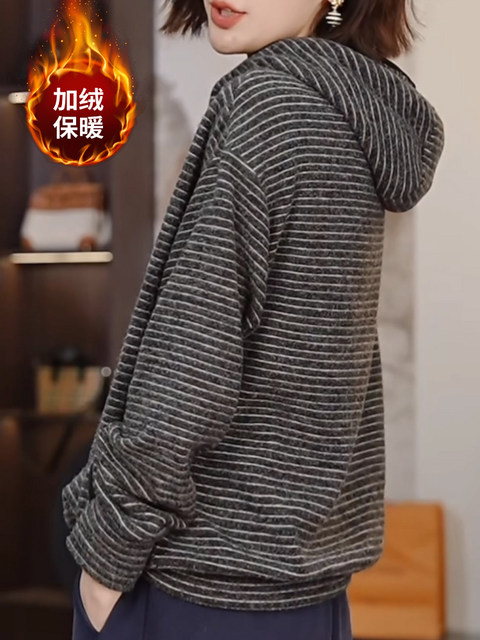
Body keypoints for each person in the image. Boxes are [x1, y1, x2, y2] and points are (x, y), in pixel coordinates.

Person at [62, 0, 445, 638]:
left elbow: (193, 356)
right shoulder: (349, 112)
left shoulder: (264, 107)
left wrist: (108, 555)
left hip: (198, 585)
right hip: (306, 592)